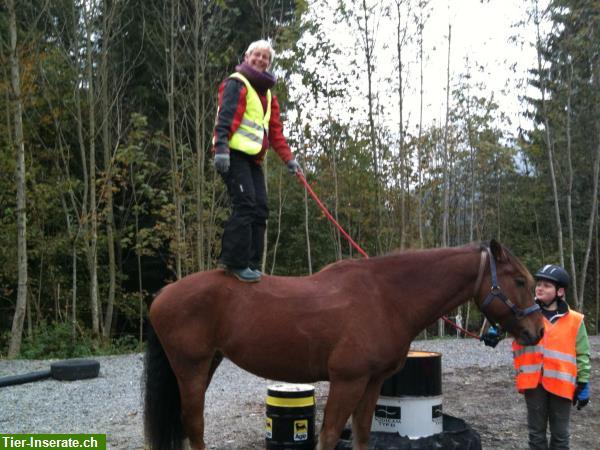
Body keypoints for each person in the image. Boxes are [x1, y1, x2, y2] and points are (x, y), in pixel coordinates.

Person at [212, 39, 301, 282]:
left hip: (253, 160)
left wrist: (289, 159)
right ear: (247, 56)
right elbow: (224, 117)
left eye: (266, 57)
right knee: (245, 203)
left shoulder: (268, 94)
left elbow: (275, 131)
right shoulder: (236, 83)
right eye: (257, 55)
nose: (261, 60)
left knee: (260, 208)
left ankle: (251, 263)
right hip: (233, 155)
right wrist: (220, 148)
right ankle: (233, 262)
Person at [512, 264, 591, 450]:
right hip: (533, 383)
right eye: (538, 284)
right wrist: (494, 330)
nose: (539, 288)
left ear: (560, 291)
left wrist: (584, 383)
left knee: (560, 436)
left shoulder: (575, 320)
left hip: (562, 385)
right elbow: (505, 325)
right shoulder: (524, 316)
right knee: (536, 434)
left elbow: (582, 354)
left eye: (546, 285)